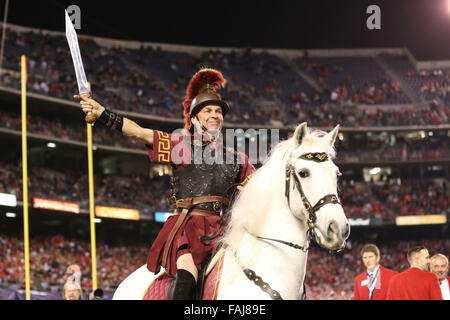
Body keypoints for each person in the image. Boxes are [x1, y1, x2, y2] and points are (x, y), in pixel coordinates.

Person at [75, 68, 255, 300]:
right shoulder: (181, 144)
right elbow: (140, 133)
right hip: (190, 228)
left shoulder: (239, 158)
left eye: (218, 111)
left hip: (226, 230)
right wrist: (101, 112)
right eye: (207, 110)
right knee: (188, 274)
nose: (214, 114)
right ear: (193, 119)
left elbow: (258, 188)